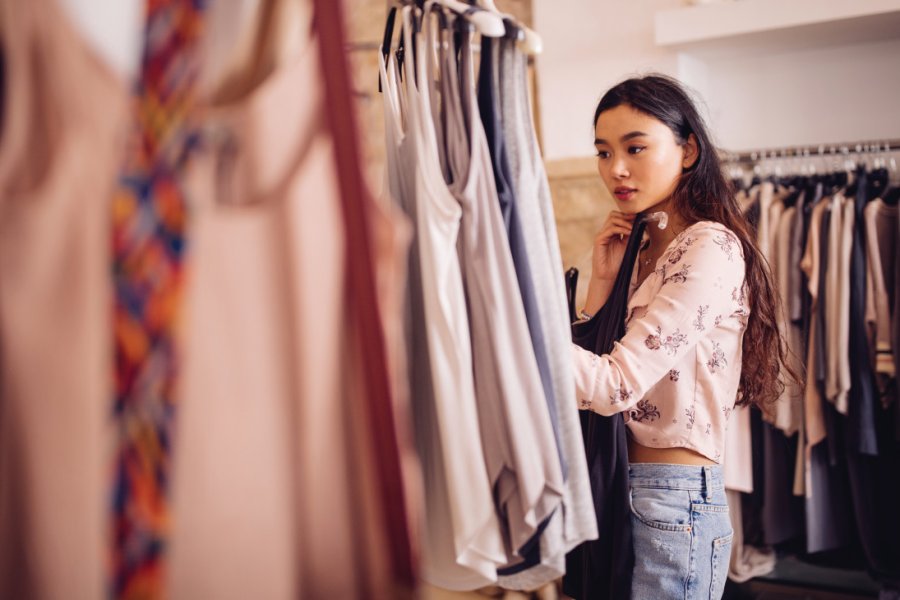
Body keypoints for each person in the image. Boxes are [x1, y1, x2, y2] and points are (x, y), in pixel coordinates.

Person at [571, 74, 794, 599]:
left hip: (672, 500)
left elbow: (614, 386)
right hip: (618, 487)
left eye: (635, 147)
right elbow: (594, 380)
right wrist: (604, 281)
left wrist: (517, 333)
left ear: (688, 149)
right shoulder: (642, 246)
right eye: (603, 152)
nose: (615, 169)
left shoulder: (710, 246)